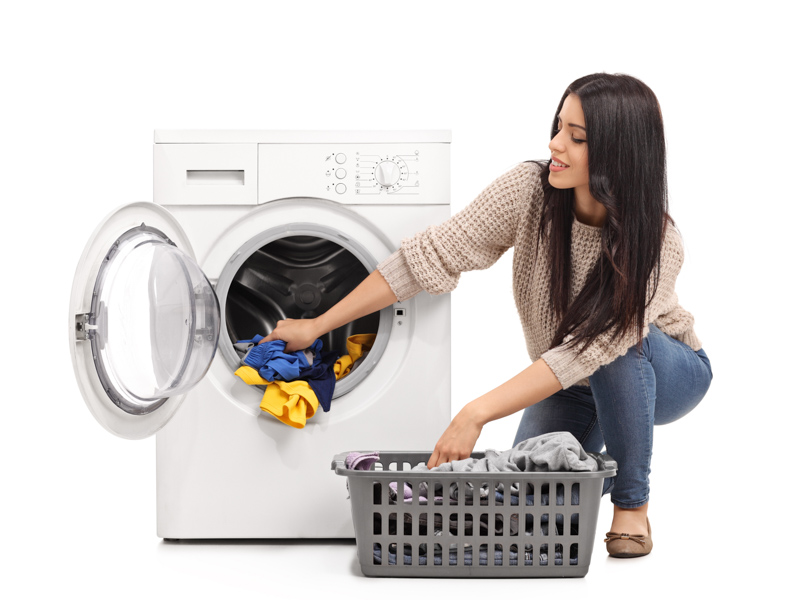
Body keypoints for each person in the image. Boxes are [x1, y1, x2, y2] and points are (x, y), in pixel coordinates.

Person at [259, 73, 712, 559]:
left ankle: (631, 507)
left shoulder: (658, 241)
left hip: (662, 374)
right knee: (516, 511)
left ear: (620, 152)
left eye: (577, 138)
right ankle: (591, 474)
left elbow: (593, 347)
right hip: (570, 384)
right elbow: (433, 255)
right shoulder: (530, 191)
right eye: (559, 127)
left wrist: (474, 414)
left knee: (617, 344)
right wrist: (317, 324)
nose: (555, 144)